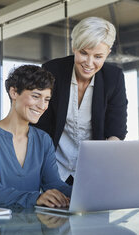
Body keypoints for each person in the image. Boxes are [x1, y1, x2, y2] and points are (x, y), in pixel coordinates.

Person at [34, 17, 128, 185]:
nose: (89, 63)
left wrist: (109, 151)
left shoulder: (114, 78)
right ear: (74, 47)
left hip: (93, 171)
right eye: (84, 53)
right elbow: (40, 127)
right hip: (52, 168)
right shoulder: (52, 71)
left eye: (98, 56)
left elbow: (117, 130)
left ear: (108, 53)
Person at [0, 65, 71, 209]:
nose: (42, 106)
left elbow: (53, 184)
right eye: (36, 96)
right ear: (14, 92)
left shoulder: (43, 140)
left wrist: (84, 195)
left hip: (27, 226)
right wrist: (37, 198)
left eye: (47, 99)